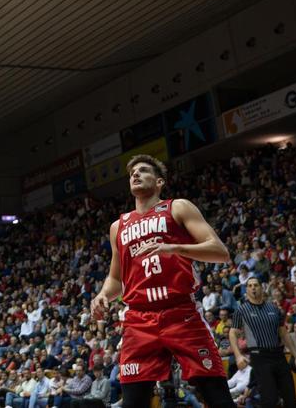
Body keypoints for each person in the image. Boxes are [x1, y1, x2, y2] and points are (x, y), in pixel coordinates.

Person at [89, 154, 236, 408]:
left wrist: (174, 248)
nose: (135, 174)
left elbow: (220, 252)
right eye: (132, 173)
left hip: (181, 312)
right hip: (139, 319)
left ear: (159, 182)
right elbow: (115, 278)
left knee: (218, 398)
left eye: (143, 171)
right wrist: (103, 294)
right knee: (133, 402)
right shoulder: (118, 226)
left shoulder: (177, 207)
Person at [228, 277, 296, 408]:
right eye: (250, 286)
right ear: (247, 290)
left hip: (278, 355)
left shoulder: (273, 308)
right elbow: (232, 333)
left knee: (290, 398)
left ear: (262, 288)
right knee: (269, 399)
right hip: (259, 356)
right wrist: (238, 355)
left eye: (256, 285)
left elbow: (284, 333)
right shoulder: (242, 310)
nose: (253, 288)